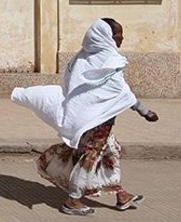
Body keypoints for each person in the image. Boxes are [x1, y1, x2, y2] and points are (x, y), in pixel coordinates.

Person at [11, 18, 159, 216]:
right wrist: (144, 111)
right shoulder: (107, 59)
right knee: (90, 158)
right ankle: (73, 199)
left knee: (111, 152)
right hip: (96, 124)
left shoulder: (80, 58)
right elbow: (121, 90)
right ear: (104, 37)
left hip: (92, 121)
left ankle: (120, 193)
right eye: (117, 35)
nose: (121, 39)